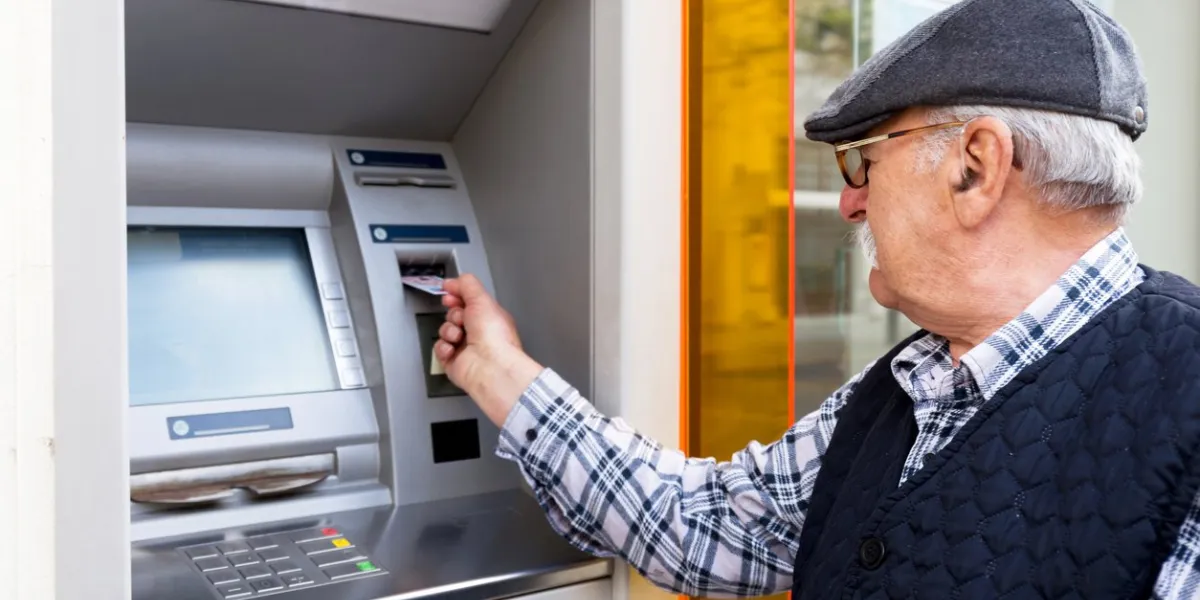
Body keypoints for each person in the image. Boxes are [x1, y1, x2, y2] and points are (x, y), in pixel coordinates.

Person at [433, 0, 1200, 598]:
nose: (850, 204)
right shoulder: (912, 385)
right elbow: (701, 526)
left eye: (864, 162)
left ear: (976, 167)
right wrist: (495, 370)